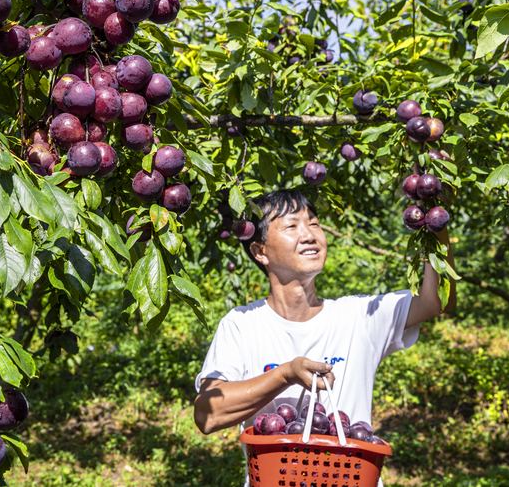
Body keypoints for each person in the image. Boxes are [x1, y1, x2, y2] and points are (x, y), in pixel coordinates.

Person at [193, 189, 455, 483]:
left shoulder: (359, 317)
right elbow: (208, 414)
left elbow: (437, 301)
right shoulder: (242, 325)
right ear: (260, 252)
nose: (309, 235)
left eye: (314, 223)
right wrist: (286, 374)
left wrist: (437, 220)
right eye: (292, 226)